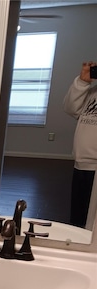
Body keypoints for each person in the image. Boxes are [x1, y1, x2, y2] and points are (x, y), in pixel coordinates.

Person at [63, 61, 97, 228]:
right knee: (78, 217)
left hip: (95, 165)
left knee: (92, 222)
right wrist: (83, 82)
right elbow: (71, 108)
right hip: (81, 163)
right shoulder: (92, 93)